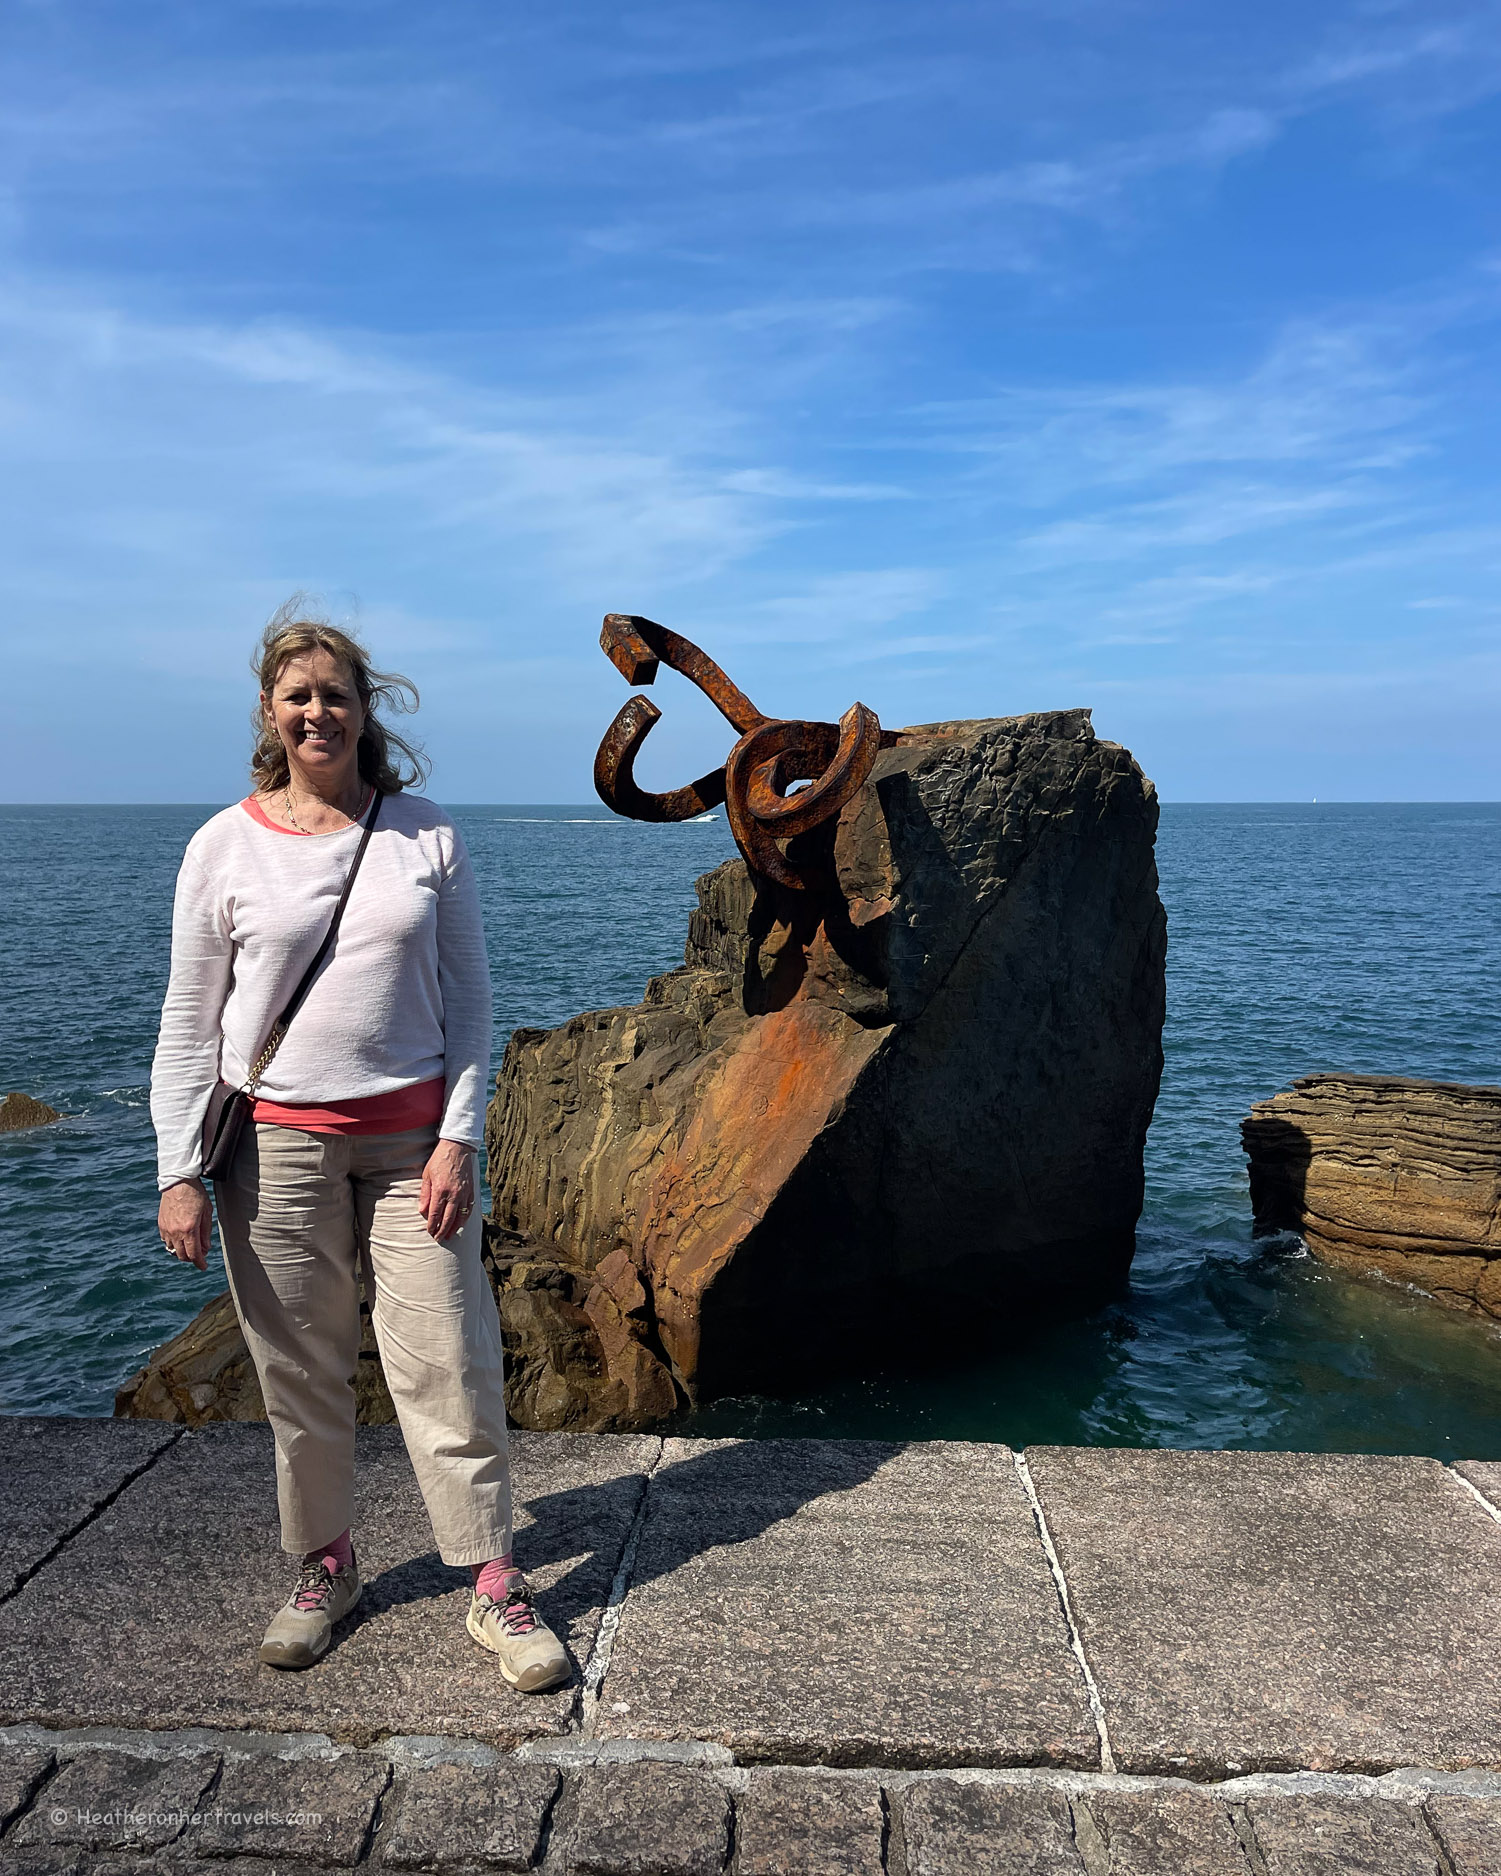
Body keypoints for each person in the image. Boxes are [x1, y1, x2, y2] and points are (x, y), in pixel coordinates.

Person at [151, 602, 568, 1692]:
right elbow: (188, 1024)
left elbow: (471, 1002)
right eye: (299, 695)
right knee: (301, 1372)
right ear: (269, 711)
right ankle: (324, 1566)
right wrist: (177, 1173)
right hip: (271, 1149)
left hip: (408, 1148)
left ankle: (492, 1580)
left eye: (335, 693)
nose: (317, 711)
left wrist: (457, 1139)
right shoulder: (222, 845)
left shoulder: (425, 831)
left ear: (362, 709)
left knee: (451, 1361)